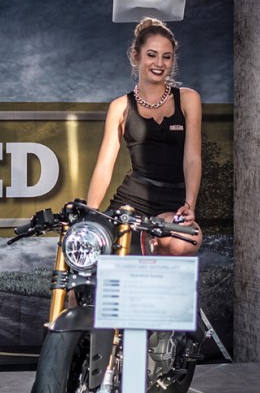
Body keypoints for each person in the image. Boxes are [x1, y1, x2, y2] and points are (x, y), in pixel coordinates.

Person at [86, 17, 202, 256]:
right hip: (131, 201)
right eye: (151, 55)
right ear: (135, 56)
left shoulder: (188, 99)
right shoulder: (120, 107)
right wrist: (90, 215)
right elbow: (104, 167)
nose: (159, 63)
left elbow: (192, 159)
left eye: (166, 57)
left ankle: (151, 250)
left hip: (172, 202)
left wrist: (189, 204)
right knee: (93, 245)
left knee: (184, 242)